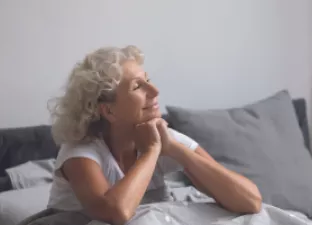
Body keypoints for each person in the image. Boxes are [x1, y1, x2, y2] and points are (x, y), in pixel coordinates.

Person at [47, 45, 262, 225]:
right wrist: (151, 151)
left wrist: (176, 150)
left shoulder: (162, 136)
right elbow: (116, 212)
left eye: (148, 80)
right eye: (138, 86)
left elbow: (250, 201)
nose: (155, 91)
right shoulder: (79, 152)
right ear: (109, 110)